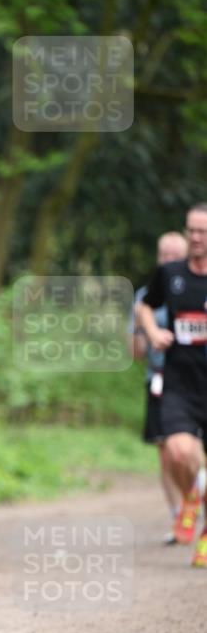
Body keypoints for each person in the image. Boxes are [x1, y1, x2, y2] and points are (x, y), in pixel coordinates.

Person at [137, 203, 207, 567]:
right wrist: (152, 332)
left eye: (202, 232)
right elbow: (145, 306)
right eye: (191, 230)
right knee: (178, 452)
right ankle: (193, 498)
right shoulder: (170, 273)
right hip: (180, 380)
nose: (195, 237)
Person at [129, 232, 194, 544]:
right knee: (168, 453)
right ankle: (179, 514)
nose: (168, 260)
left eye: (174, 254)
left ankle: (194, 501)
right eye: (163, 254)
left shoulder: (195, 283)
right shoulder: (146, 294)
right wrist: (148, 329)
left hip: (197, 378)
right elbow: (136, 352)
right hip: (160, 379)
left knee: (189, 454)